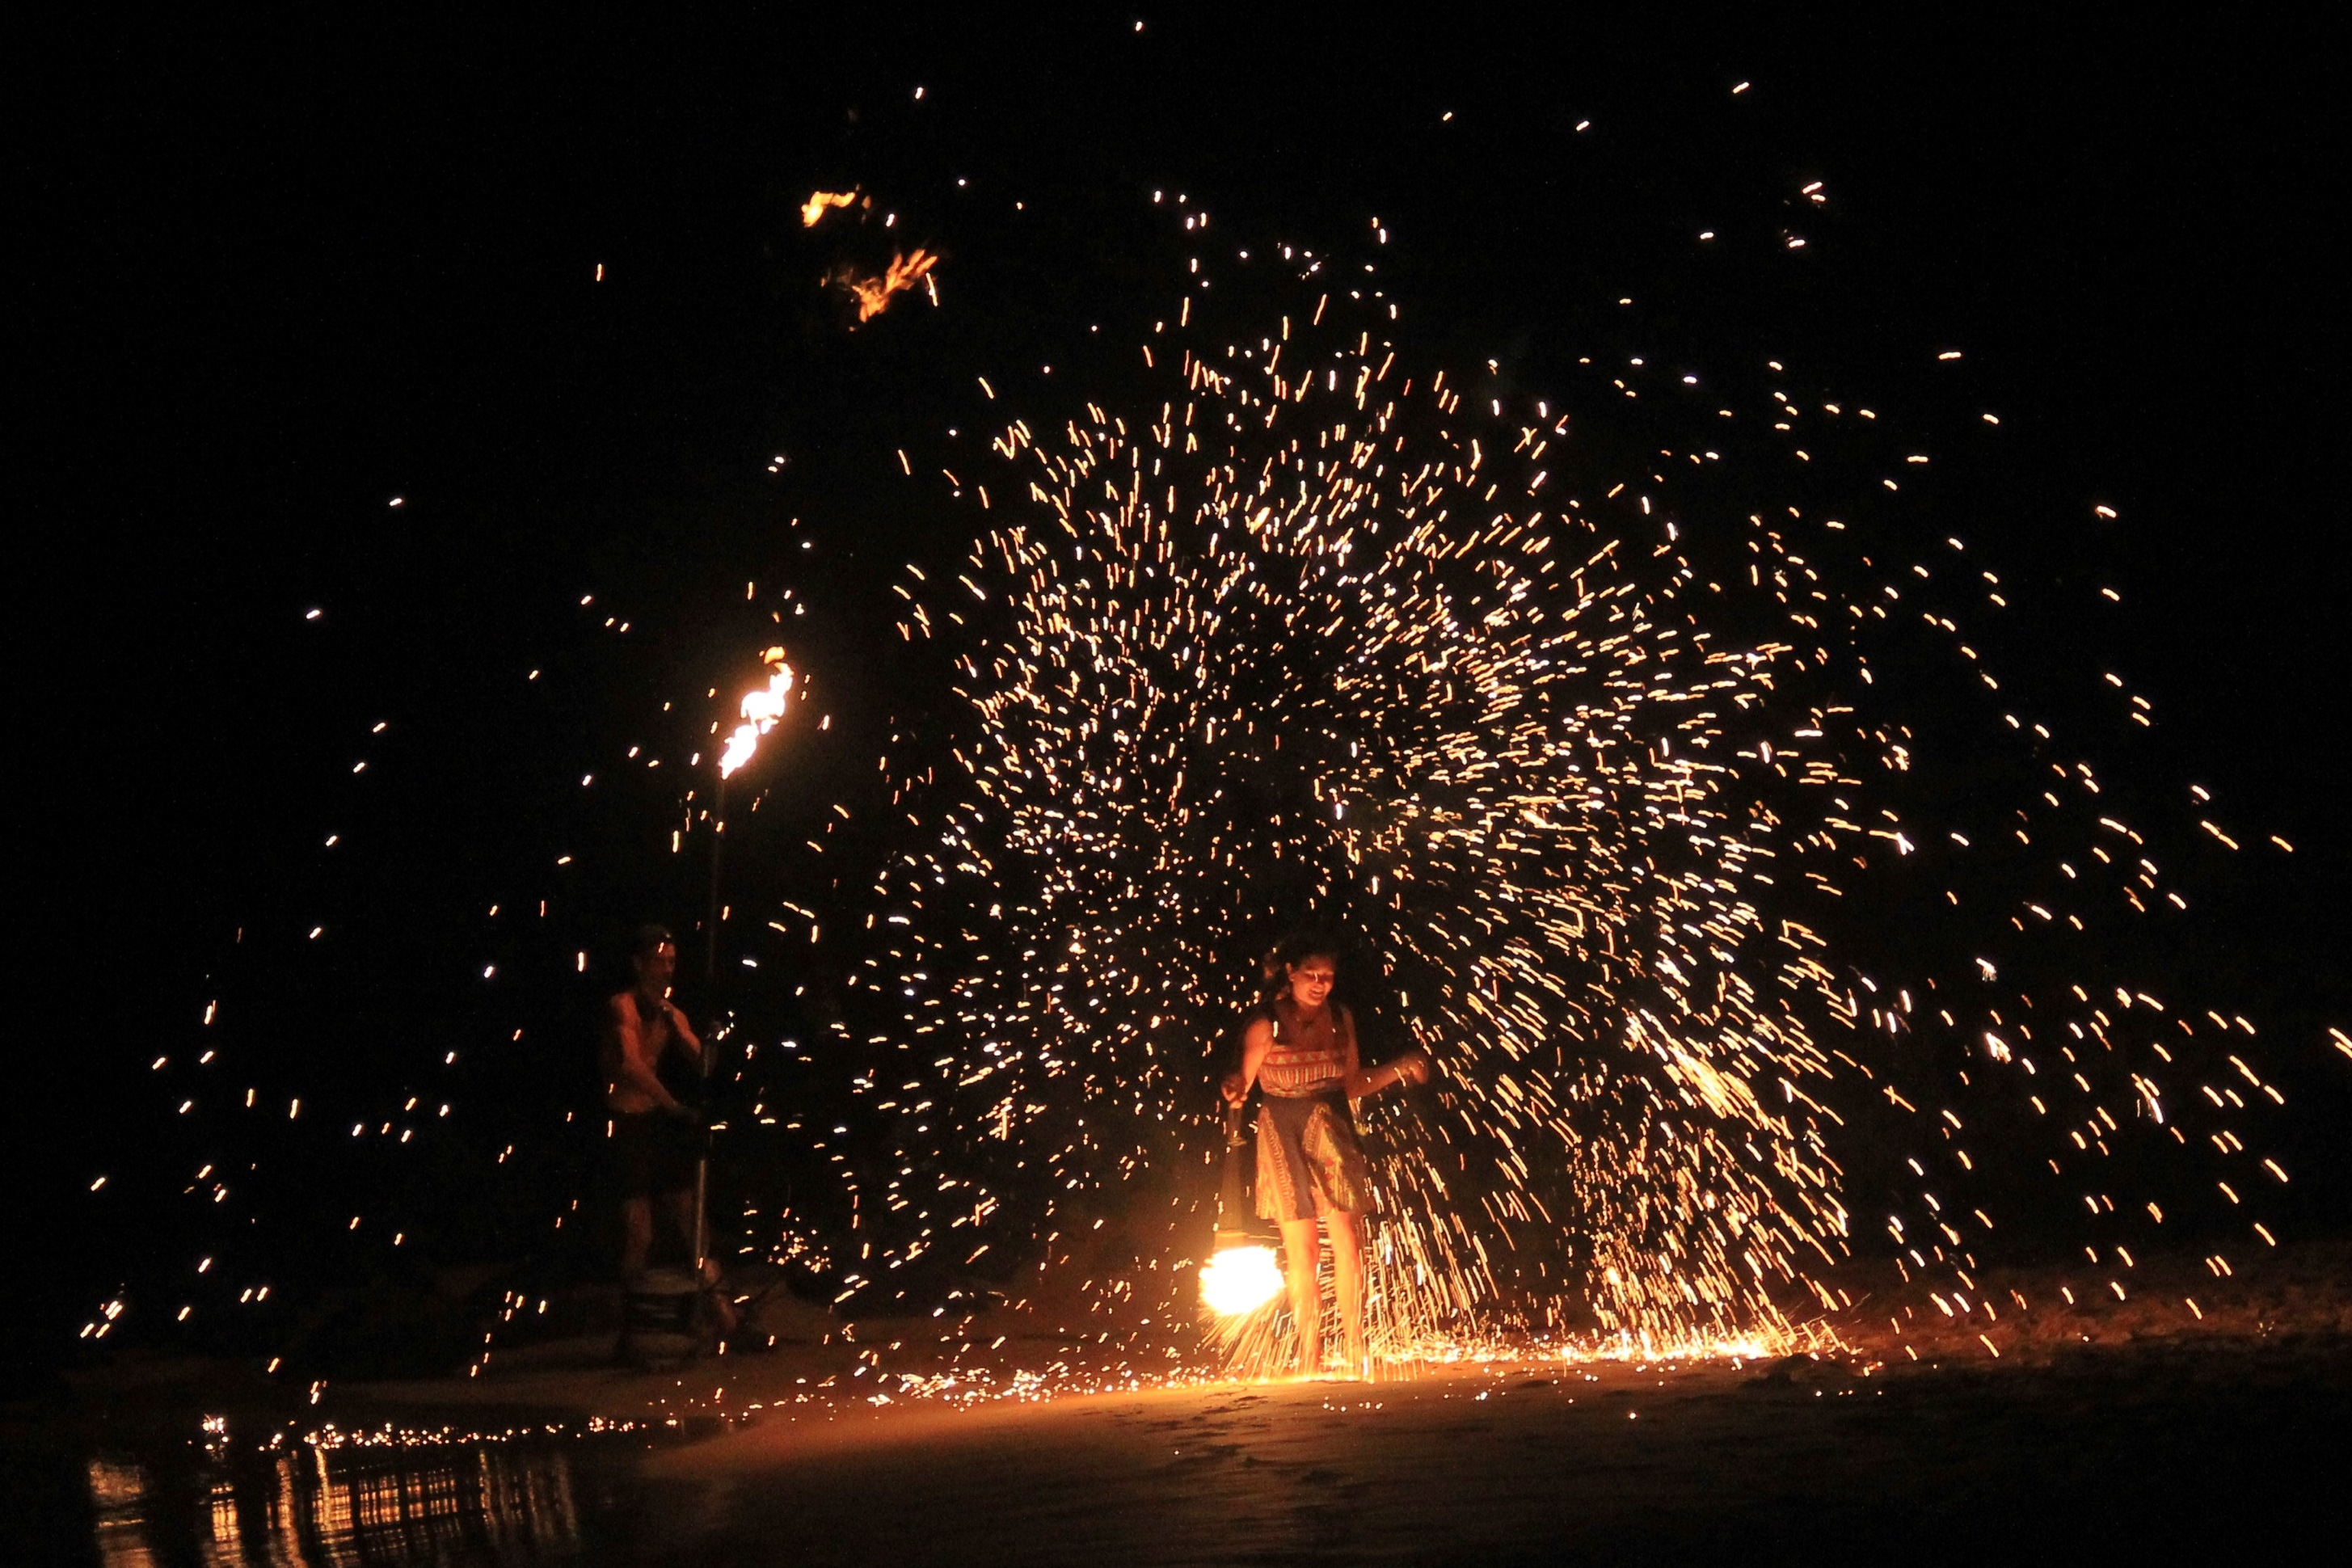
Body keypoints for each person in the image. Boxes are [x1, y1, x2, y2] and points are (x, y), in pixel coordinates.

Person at [1221, 934, 1431, 1378]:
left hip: (1333, 1129)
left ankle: (1356, 1349)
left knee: (1350, 1245)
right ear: (1290, 975)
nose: (1320, 984)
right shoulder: (1268, 1024)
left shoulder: (1340, 1018)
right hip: (1282, 1132)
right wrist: (1235, 1090)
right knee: (1304, 1253)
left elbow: (1353, 1086)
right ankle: (1309, 1357)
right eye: (1311, 976)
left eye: (1328, 977)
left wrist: (1401, 1066)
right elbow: (1242, 1082)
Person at [601, 925, 710, 1288]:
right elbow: (631, 1066)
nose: (667, 969)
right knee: (640, 1233)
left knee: (691, 1219)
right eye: (659, 962)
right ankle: (629, 1317)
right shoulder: (623, 1006)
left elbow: (702, 1062)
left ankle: (714, 1311)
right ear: (638, 965)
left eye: (672, 962)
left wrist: (701, 1040)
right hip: (625, 1122)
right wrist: (673, 1105)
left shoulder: (672, 1014)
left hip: (657, 1121)